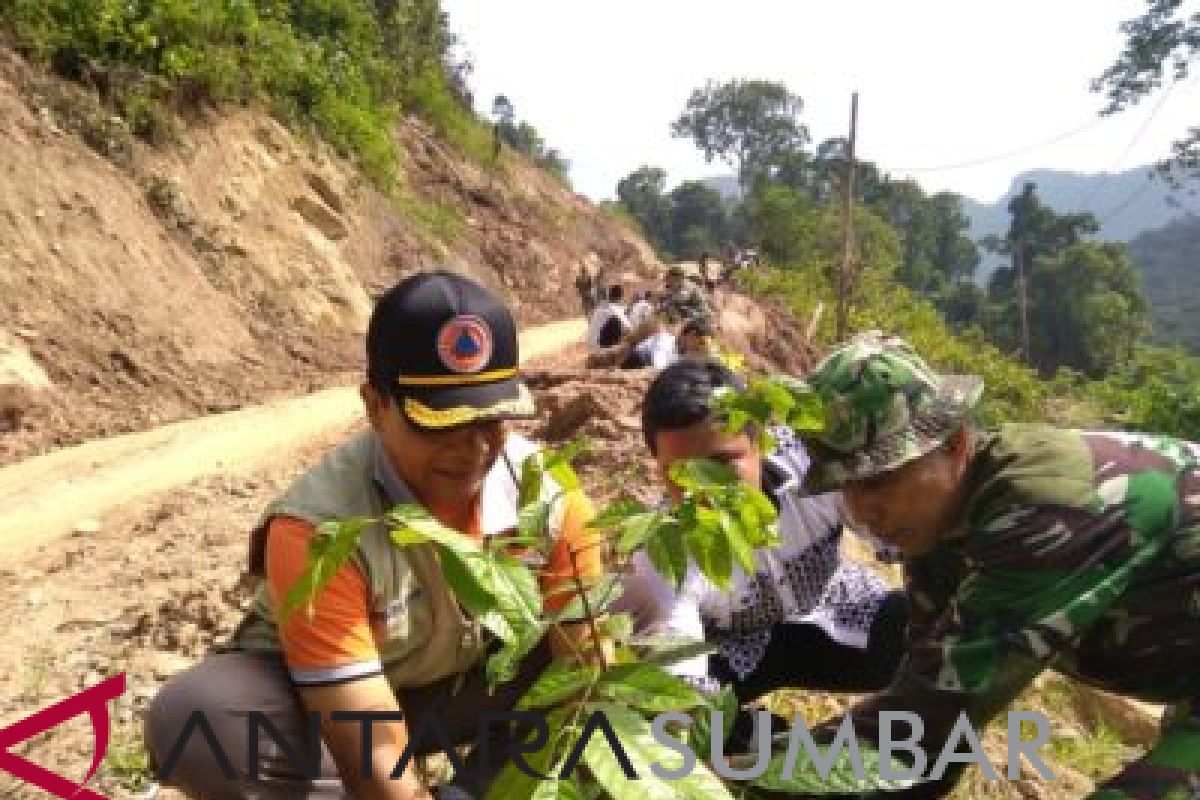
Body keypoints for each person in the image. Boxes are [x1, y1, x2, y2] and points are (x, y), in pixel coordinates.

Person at [144, 271, 603, 800]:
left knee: (601, 648)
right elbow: (368, 736)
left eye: (491, 419)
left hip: (459, 689)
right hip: (326, 710)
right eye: (440, 423)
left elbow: (588, 667)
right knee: (202, 722)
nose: (473, 447)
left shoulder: (548, 497)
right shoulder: (321, 526)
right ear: (375, 406)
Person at [790, 331, 1200, 800]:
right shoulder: (938, 531)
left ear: (956, 443)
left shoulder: (1040, 511)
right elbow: (924, 736)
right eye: (847, 486)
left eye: (881, 479)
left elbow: (932, 712)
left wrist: (758, 771)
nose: (865, 511)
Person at [618, 358, 908, 740]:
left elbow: (905, 533)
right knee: (685, 721)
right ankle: (758, 740)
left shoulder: (813, 470)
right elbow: (679, 675)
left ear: (760, 444)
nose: (704, 491)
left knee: (915, 634)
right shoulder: (663, 555)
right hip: (735, 653)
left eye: (721, 463)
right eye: (680, 473)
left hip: (833, 609)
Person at [586, 284, 631, 352]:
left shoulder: (600, 307)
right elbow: (628, 328)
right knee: (618, 324)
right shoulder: (615, 309)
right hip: (603, 348)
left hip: (592, 346)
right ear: (620, 297)